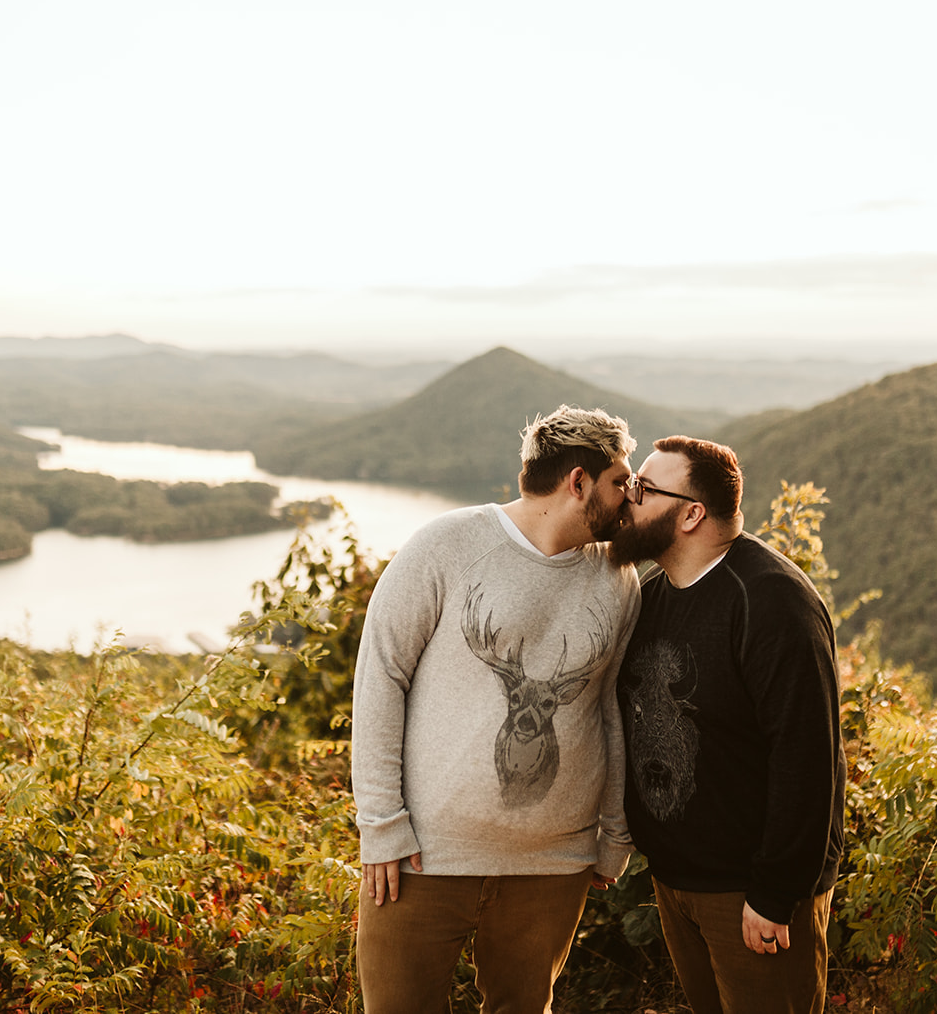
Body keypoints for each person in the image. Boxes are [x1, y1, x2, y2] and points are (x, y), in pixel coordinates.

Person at [351, 404, 643, 1014]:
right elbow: (381, 678)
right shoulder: (444, 547)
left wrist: (614, 833)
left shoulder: (618, 580)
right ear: (579, 482)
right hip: (422, 860)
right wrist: (381, 827)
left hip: (553, 867)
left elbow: (609, 709)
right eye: (621, 481)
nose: (631, 496)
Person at [610, 436, 844, 1014]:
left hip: (751, 894)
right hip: (677, 882)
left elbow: (807, 756)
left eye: (643, 489)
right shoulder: (651, 594)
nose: (628, 500)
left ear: (691, 514)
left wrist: (773, 894)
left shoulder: (772, 602)